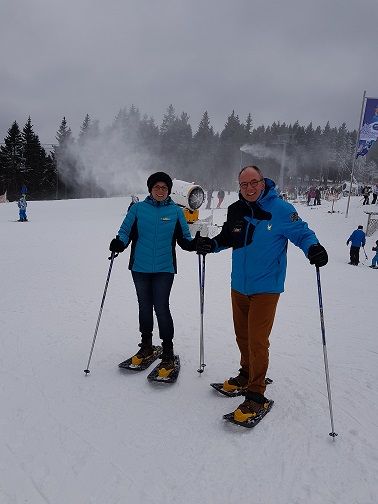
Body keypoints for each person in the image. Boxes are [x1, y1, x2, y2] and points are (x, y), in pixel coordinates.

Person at [196, 165, 327, 423]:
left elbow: (302, 233)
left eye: (253, 182)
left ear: (263, 182)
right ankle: (246, 374)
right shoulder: (237, 209)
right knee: (242, 335)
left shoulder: (280, 210)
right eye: (244, 184)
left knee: (257, 340)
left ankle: (256, 394)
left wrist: (313, 248)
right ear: (239, 186)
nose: (249, 188)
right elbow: (226, 237)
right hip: (239, 285)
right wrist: (211, 245)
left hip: (266, 287)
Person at [109, 172, 198, 376]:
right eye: (157, 187)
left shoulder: (176, 211)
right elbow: (125, 232)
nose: (160, 191)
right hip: (140, 268)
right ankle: (146, 345)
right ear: (150, 189)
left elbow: (184, 239)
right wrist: (119, 243)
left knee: (161, 307)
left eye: (164, 188)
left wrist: (195, 244)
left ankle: (168, 350)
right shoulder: (138, 209)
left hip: (164, 269)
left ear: (169, 191)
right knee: (144, 306)